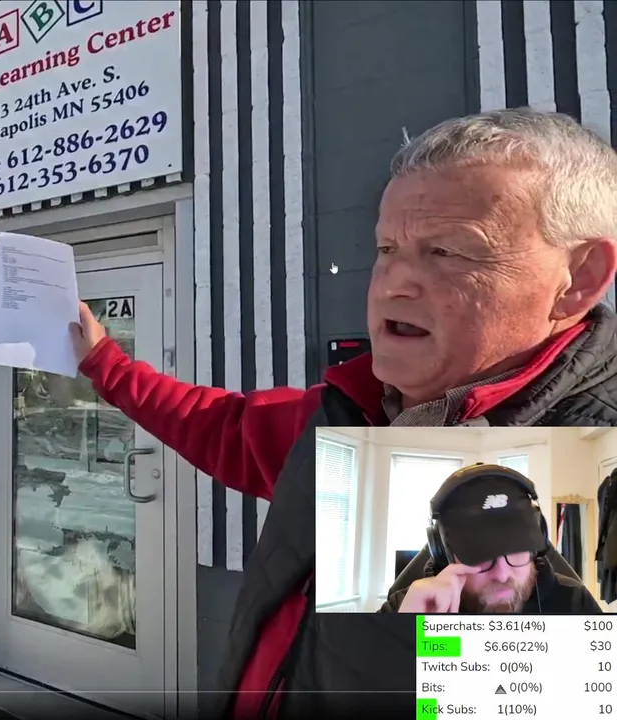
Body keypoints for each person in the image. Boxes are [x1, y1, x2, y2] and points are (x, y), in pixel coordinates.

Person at [69, 107, 617, 717]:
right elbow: (218, 426)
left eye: (446, 251)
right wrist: (103, 363)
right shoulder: (346, 411)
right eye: (387, 248)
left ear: (579, 277)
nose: (392, 283)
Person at [381, 463, 601, 614]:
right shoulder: (405, 607)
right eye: (480, 556)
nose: (502, 574)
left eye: (516, 549)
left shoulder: (575, 603)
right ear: (445, 554)